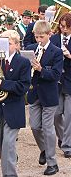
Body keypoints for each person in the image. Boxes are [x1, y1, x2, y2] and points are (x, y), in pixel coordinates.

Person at [0, 30, 31, 176]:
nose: (5, 46)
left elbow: (23, 86)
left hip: (13, 108)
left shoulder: (23, 62)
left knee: (8, 144)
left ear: (17, 45)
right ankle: (10, 156)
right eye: (2, 43)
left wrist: (3, 84)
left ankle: (9, 173)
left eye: (9, 43)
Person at [25, 20, 63, 175]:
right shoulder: (30, 49)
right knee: (34, 126)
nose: (39, 40)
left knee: (48, 129)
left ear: (49, 34)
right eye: (36, 37)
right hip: (34, 94)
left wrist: (40, 69)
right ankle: (45, 150)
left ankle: (52, 164)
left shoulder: (56, 52)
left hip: (49, 95)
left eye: (41, 37)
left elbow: (55, 75)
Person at [50, 12, 71, 158]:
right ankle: (63, 138)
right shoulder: (55, 39)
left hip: (70, 81)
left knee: (69, 116)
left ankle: (67, 146)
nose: (64, 29)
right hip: (57, 82)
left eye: (67, 27)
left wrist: (70, 55)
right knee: (57, 114)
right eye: (62, 26)